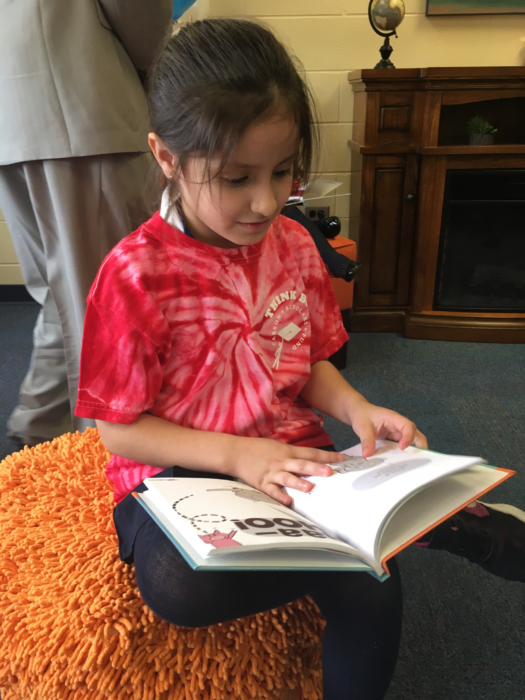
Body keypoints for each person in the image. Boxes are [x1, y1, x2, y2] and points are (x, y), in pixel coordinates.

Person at [75, 19, 525, 700]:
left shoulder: (292, 244)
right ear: (166, 157)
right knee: (180, 587)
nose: (266, 202)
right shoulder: (134, 274)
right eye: (236, 178)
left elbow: (306, 362)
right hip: (178, 470)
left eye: (282, 171)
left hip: (293, 457)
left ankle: (386, 538)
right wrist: (238, 456)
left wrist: (357, 407)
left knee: (372, 588)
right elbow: (118, 429)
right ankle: (403, 534)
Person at [0, 0, 172, 447]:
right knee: (107, 301)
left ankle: (39, 436)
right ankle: (103, 455)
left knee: (61, 298)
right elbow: (139, 16)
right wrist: (157, 68)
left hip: (13, 106)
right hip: (81, 96)